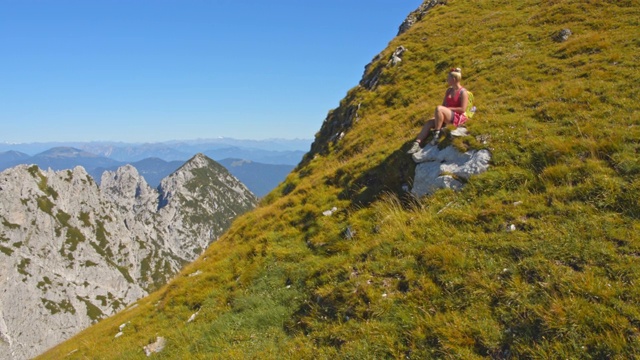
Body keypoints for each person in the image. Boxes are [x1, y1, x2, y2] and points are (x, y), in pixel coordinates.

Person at [407, 68, 469, 154]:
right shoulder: (449, 90)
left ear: (454, 79)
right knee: (429, 123)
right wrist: (438, 115)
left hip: (457, 117)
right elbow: (444, 105)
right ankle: (417, 143)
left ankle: (437, 134)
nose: (447, 80)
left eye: (448, 78)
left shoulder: (463, 92)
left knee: (439, 108)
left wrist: (448, 109)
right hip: (447, 115)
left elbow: (463, 109)